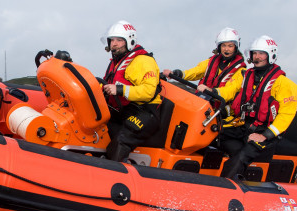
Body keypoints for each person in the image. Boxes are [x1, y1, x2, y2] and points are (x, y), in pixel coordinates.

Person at [210, 35, 297, 180]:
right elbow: (230, 90)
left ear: (271, 55)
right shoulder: (245, 75)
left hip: (265, 133)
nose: (257, 57)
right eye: (255, 53)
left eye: (261, 53)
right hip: (243, 126)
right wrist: (213, 91)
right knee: (210, 133)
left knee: (241, 157)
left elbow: (286, 115)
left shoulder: (284, 84)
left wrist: (265, 135)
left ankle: (224, 188)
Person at [100, 21, 163, 162]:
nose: (114, 44)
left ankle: (115, 171)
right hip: (125, 109)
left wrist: (120, 89)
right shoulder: (116, 62)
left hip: (145, 112)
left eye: (119, 40)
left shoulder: (144, 61)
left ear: (130, 41)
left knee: (122, 138)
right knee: (98, 125)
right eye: (112, 40)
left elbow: (149, 91)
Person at [162, 26, 246, 95]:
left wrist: (212, 91)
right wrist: (177, 74)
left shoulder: (241, 71)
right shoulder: (210, 62)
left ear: (236, 47)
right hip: (205, 102)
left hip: (223, 109)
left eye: (230, 46)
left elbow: (231, 90)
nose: (226, 49)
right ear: (219, 47)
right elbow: (195, 72)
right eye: (223, 46)